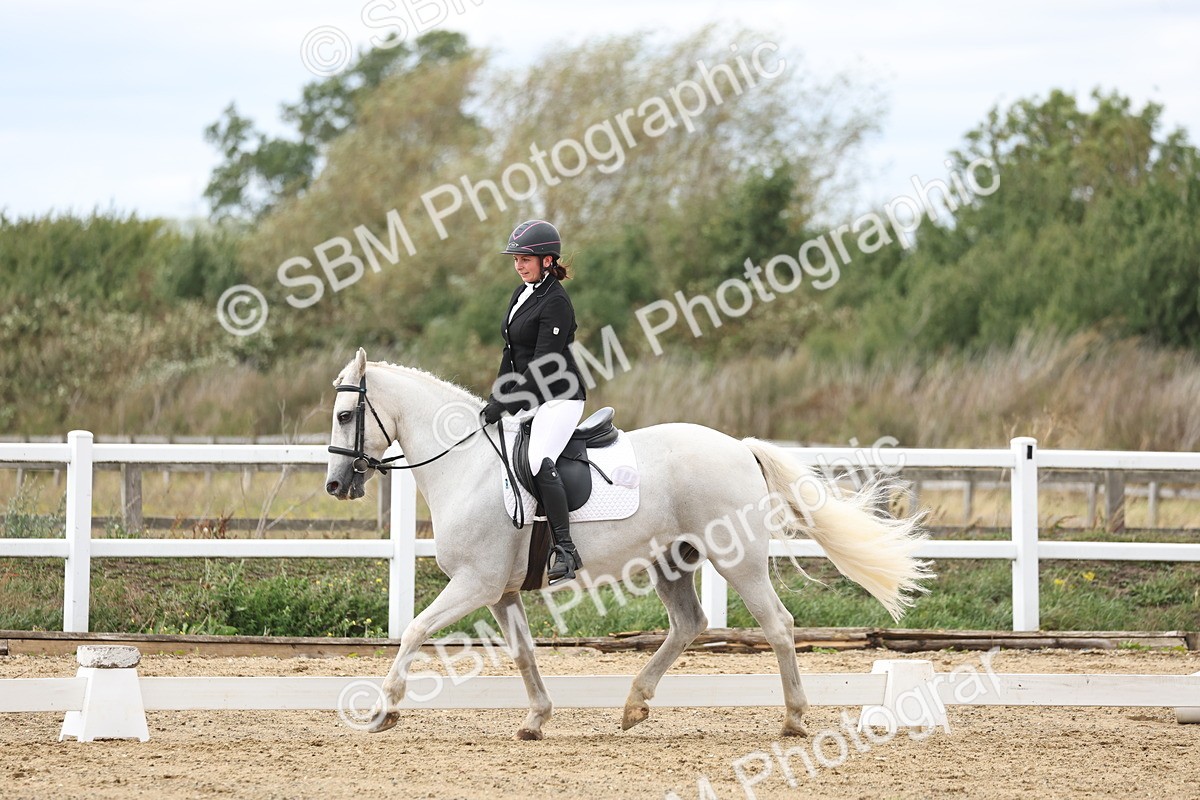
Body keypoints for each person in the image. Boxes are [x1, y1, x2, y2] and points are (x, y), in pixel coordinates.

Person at [481, 220, 586, 585]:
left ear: (547, 260)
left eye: (525, 258)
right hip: (528, 394)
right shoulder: (521, 293)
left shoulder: (556, 301)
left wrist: (506, 402)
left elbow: (543, 364)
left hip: (560, 396)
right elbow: (511, 353)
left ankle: (566, 550)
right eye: (515, 259)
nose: (519, 265)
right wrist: (496, 396)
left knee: (538, 460)